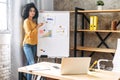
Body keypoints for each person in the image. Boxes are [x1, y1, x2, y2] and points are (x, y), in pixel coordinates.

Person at [22, 2, 43, 80]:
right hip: (27, 44)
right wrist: (37, 27)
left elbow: (35, 33)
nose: (32, 12)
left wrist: (42, 14)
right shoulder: (26, 21)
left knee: (29, 64)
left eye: (34, 11)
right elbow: (29, 34)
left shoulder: (34, 22)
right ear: (27, 11)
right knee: (32, 64)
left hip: (34, 44)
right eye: (31, 11)